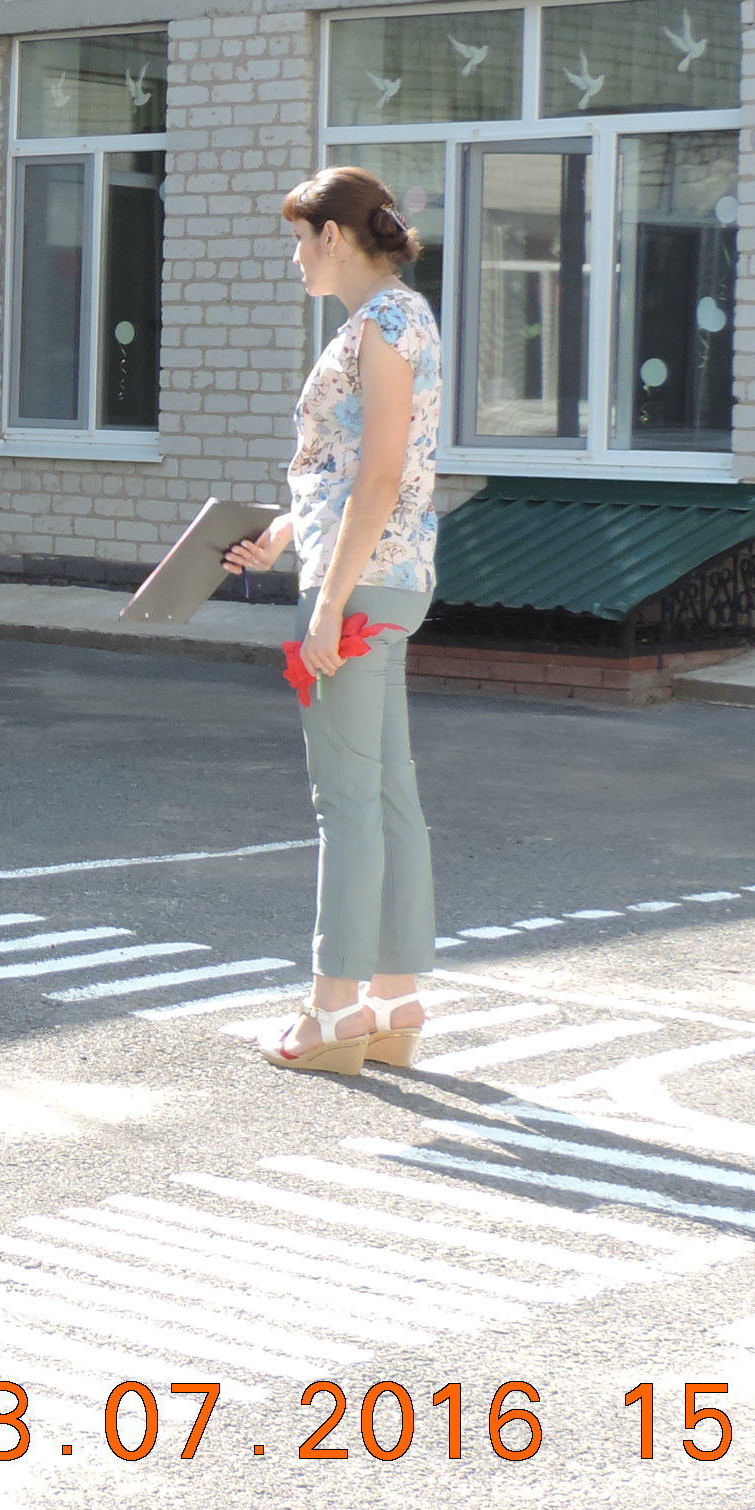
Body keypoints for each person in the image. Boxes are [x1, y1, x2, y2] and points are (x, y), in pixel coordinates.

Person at [223, 167, 446, 1077]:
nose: (295, 258)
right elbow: (352, 467)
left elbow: (382, 475)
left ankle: (331, 1015)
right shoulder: (404, 317)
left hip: (359, 587)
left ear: (335, 238)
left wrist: (326, 602)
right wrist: (283, 533)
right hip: (392, 577)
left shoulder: (381, 326)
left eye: (300, 239)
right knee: (388, 795)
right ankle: (394, 1003)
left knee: (346, 802)